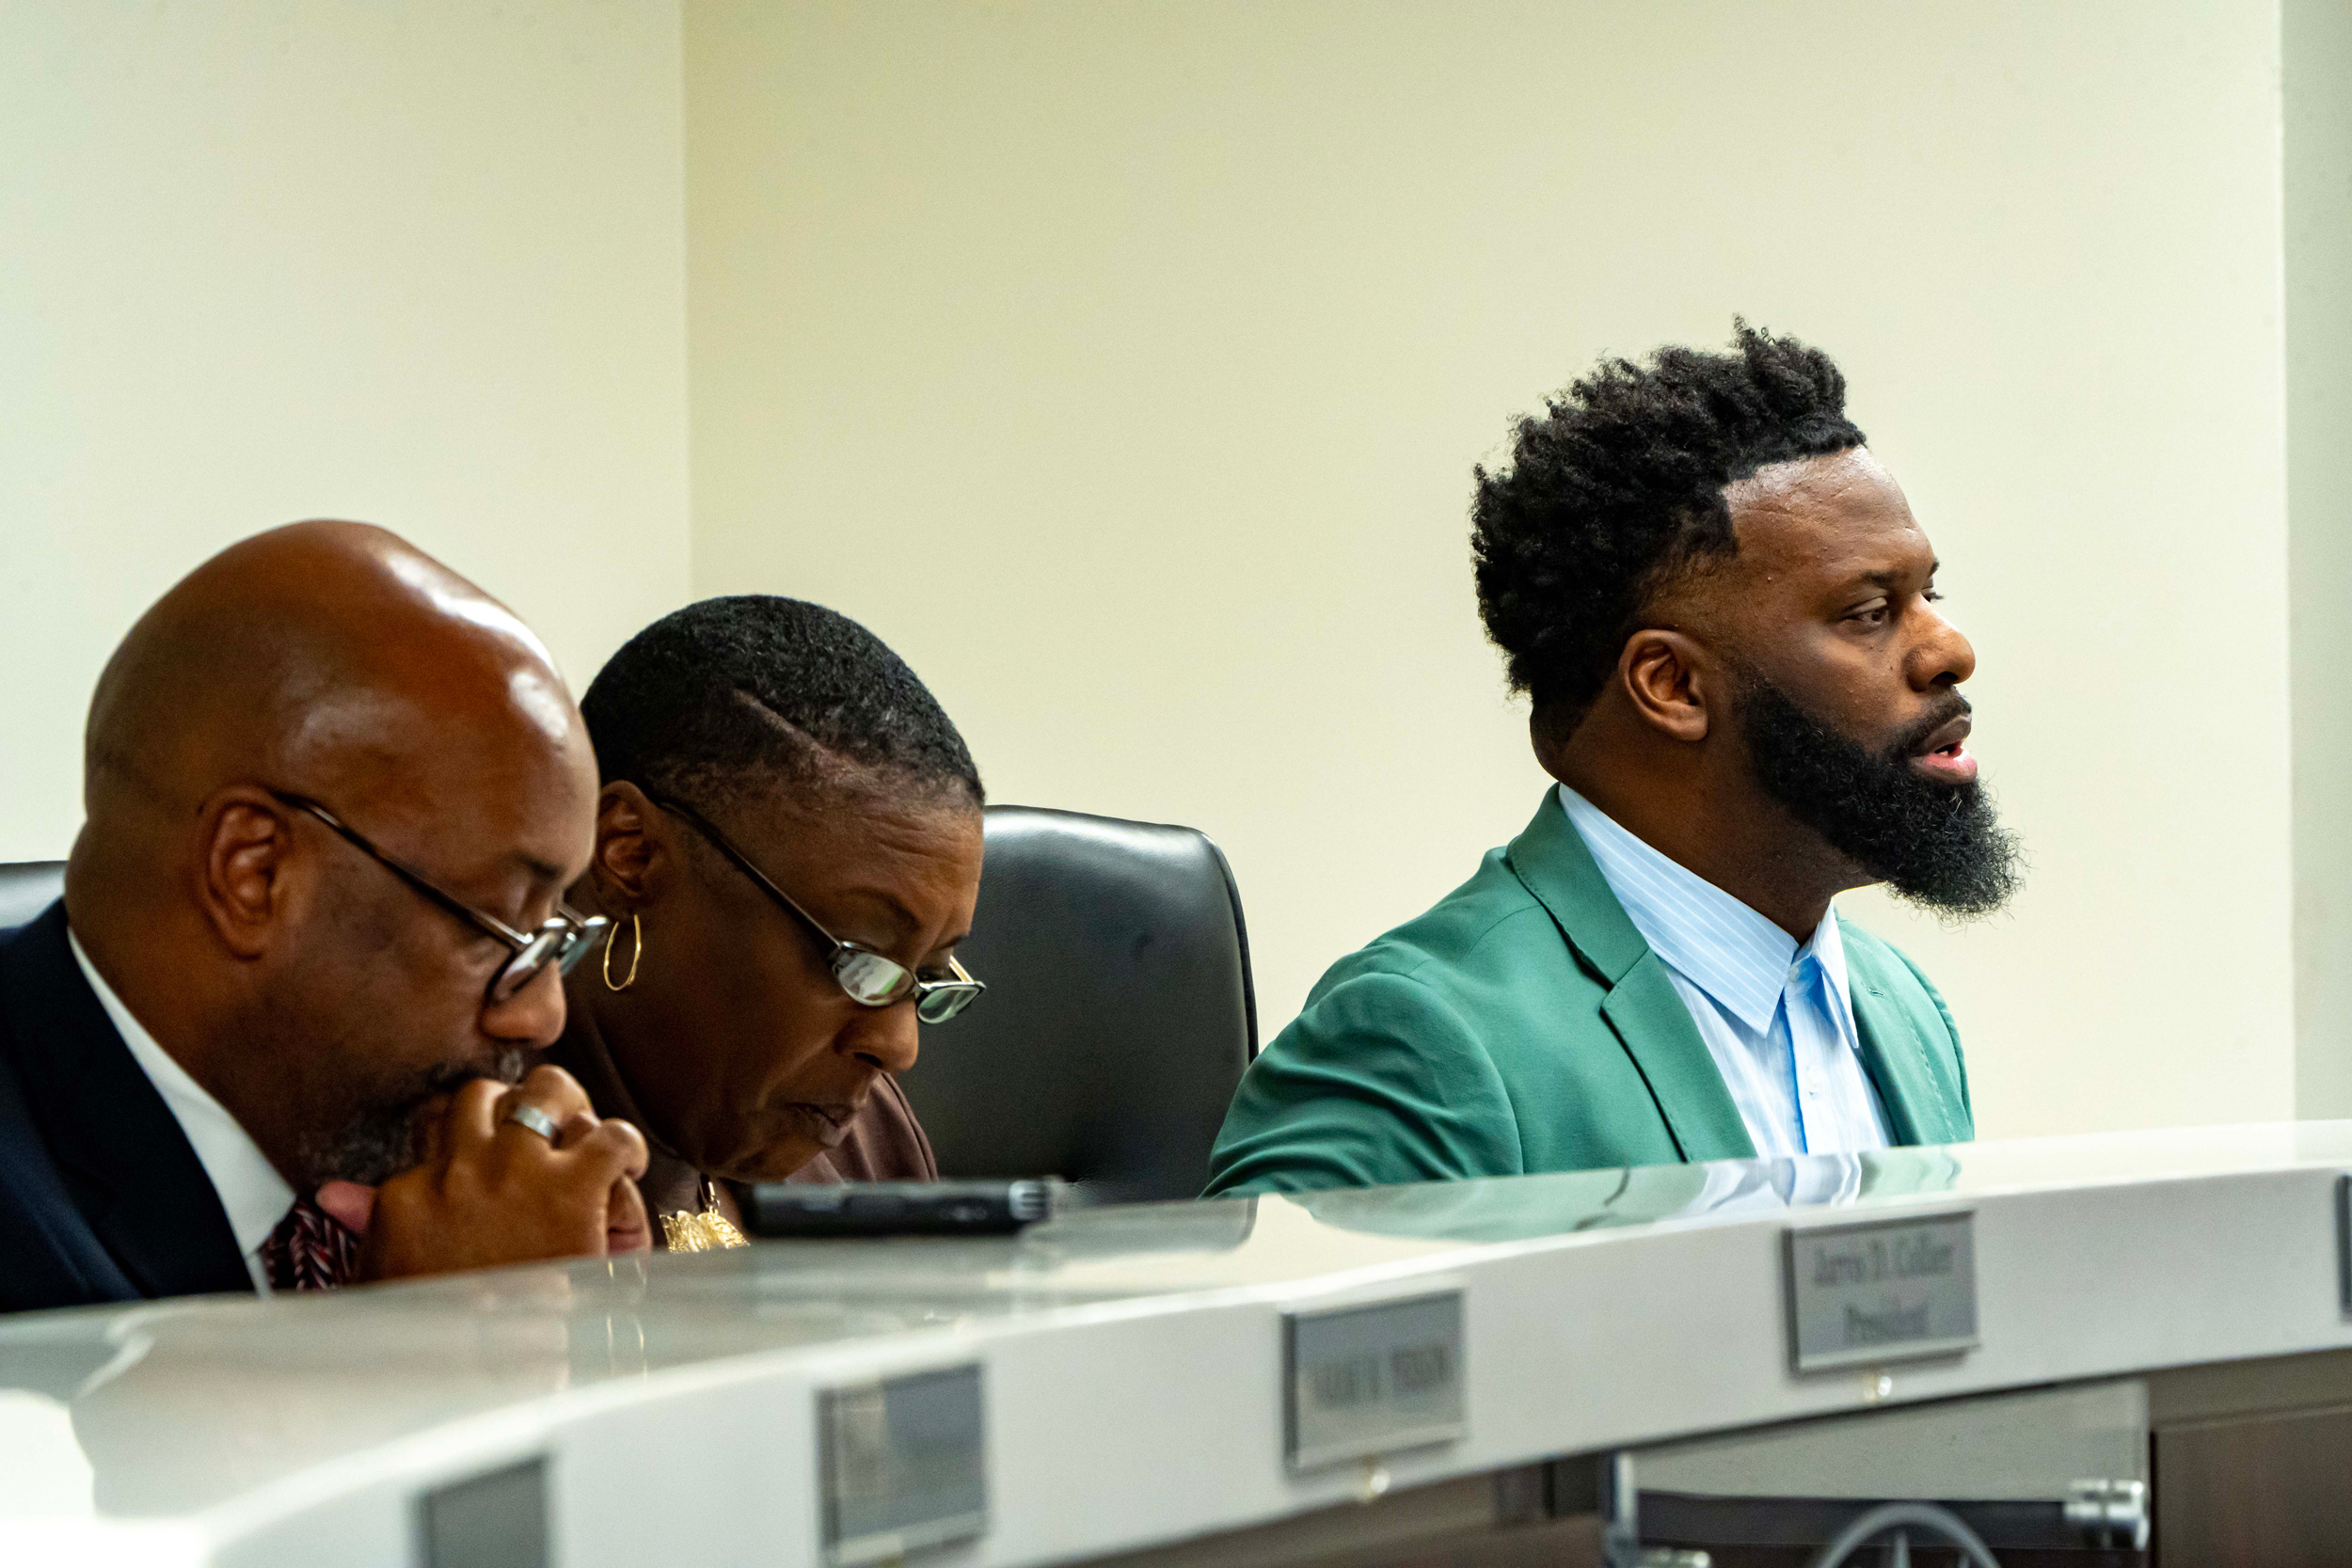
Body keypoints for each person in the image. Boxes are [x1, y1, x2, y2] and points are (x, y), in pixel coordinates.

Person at [1207, 325, 2022, 1196]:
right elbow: (1256, 1292)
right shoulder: (1420, 1041)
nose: (1951, 649)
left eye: (1929, 593)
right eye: (1869, 612)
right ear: (1672, 685)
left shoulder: (1901, 1012)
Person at [0, 522, 652, 1313]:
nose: (543, 1014)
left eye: (554, 934)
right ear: (255, 874)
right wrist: (443, 1343)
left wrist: (606, 1327)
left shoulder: (359, 1139)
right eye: (500, 926)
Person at [544, 595, 986, 1248]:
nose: (899, 1048)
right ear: (630, 854)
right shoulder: (458, 1171)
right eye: (857, 957)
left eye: (928, 974)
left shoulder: (867, 1140)